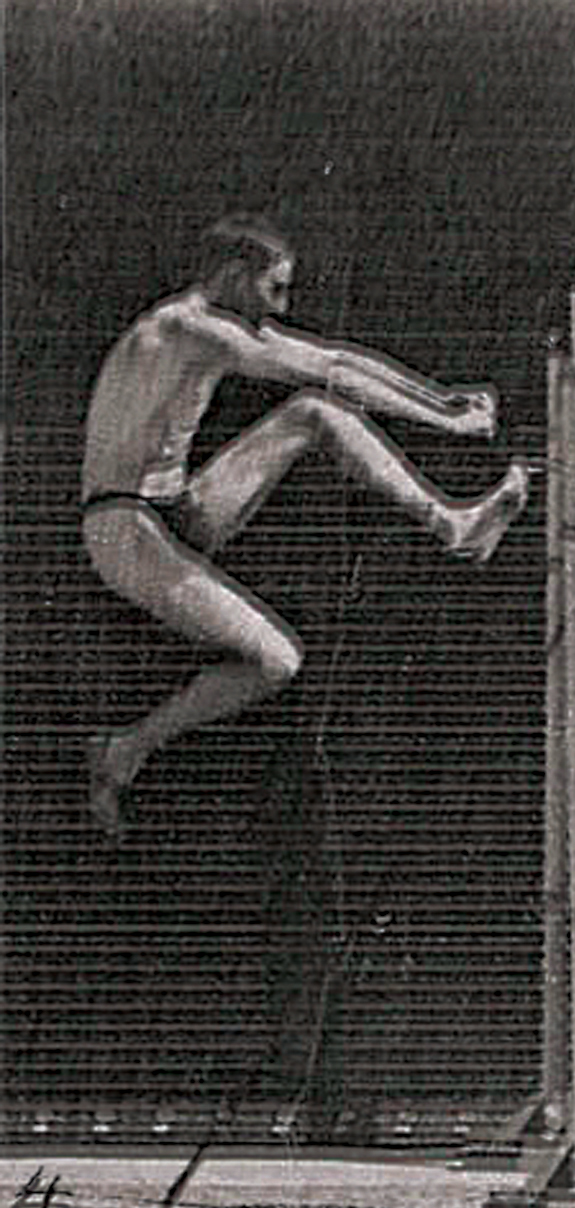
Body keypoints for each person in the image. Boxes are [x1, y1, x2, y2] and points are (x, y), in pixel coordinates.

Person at [81, 214, 530, 838]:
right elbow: (328, 365)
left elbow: (336, 361)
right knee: (277, 661)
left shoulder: (205, 329)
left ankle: (452, 524)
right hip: (123, 527)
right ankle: (127, 749)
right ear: (236, 275)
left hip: (171, 509)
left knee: (315, 414)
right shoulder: (186, 328)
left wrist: (443, 401)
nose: (279, 308)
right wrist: (450, 421)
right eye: (275, 290)